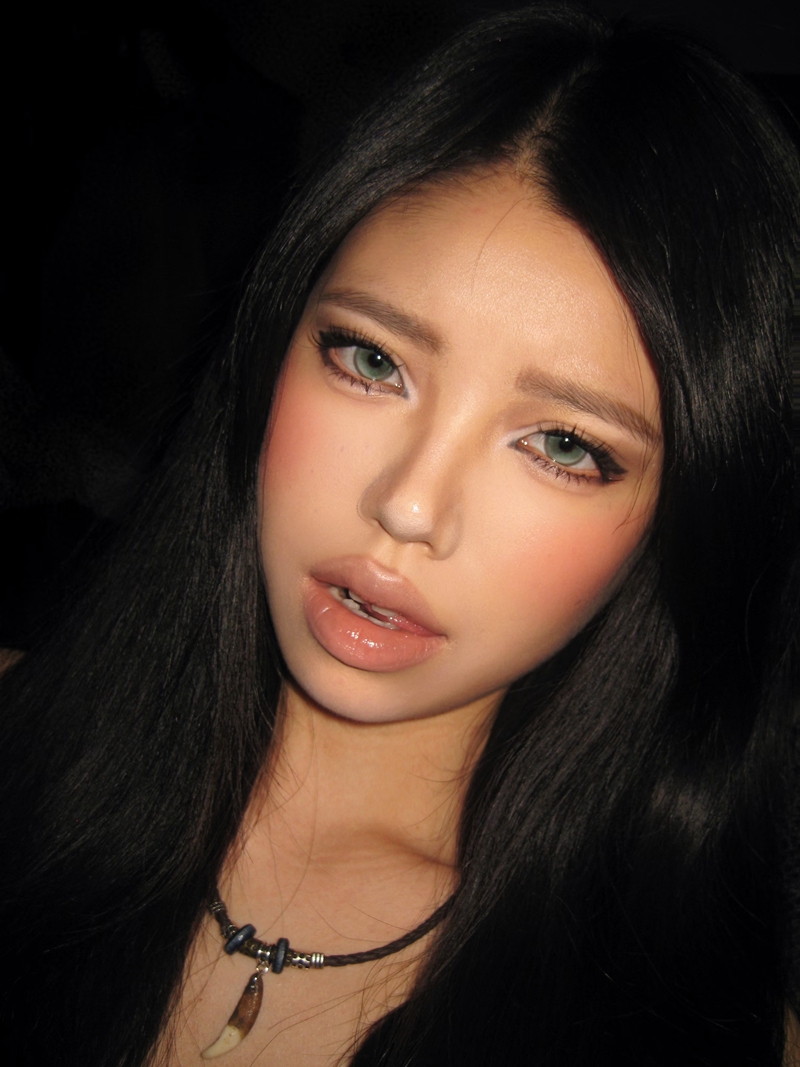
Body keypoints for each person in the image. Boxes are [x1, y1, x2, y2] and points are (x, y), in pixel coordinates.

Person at [1, 5, 798, 1065]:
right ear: (272, 342)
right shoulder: (23, 749)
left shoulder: (697, 1024)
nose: (410, 505)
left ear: (678, 522)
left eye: (564, 444)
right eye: (372, 360)